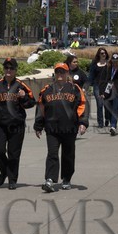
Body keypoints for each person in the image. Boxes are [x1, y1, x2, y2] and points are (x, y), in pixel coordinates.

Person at [34, 61, 88, 190]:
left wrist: (83, 123)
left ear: (67, 73)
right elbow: (41, 108)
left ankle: (66, 178)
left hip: (69, 128)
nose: (60, 74)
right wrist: (38, 125)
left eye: (62, 72)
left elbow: (82, 106)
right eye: (57, 71)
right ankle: (50, 179)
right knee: (52, 153)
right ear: (54, 73)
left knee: (68, 154)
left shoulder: (75, 89)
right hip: (52, 128)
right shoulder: (46, 90)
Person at [0, 57, 37, 188]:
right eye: (6, 68)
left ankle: (12, 179)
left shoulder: (21, 85)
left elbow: (31, 102)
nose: (8, 70)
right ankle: (4, 172)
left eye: (11, 68)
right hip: (0, 124)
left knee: (14, 153)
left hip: (16, 124)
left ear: (15, 70)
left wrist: (23, 96)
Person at [87, 47, 118, 132]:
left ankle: (107, 118)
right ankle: (100, 122)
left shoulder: (109, 63)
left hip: (107, 85)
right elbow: (91, 75)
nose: (103, 54)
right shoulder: (94, 64)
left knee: (107, 104)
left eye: (104, 53)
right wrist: (89, 84)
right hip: (97, 85)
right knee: (99, 103)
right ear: (98, 54)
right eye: (101, 53)